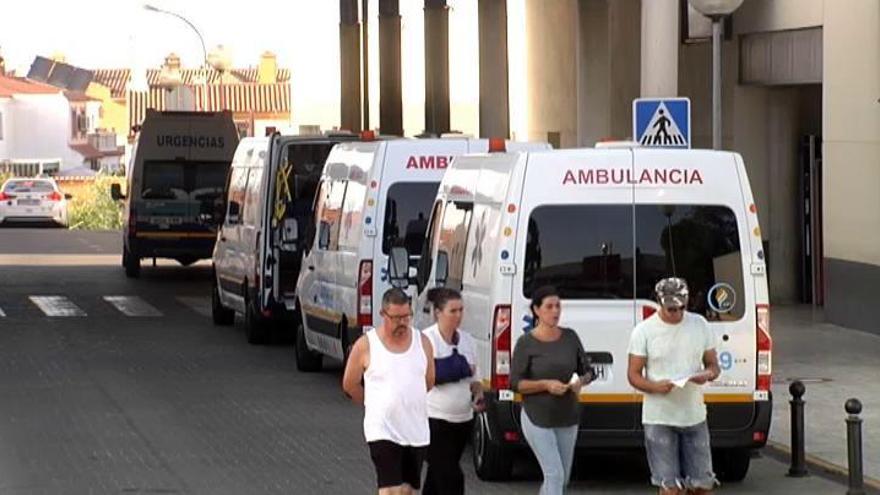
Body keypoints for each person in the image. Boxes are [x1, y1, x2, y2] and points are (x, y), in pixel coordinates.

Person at [627, 277, 721, 495]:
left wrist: (707, 374)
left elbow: (713, 365)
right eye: (670, 309)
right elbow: (633, 374)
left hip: (694, 415)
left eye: (679, 308)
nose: (675, 313)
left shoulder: (700, 325)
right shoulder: (643, 331)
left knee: (701, 486)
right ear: (659, 303)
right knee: (670, 488)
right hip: (659, 418)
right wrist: (653, 387)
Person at [343, 288, 436, 495]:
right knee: (391, 490)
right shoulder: (366, 345)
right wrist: (374, 404)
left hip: (415, 431)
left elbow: (428, 382)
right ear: (383, 315)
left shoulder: (423, 343)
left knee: (407, 490)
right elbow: (349, 384)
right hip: (382, 430)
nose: (402, 322)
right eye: (396, 318)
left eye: (406, 317)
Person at [510, 285, 593, 494]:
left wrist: (580, 381)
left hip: (567, 416)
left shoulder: (570, 337)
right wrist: (545, 384)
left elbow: (588, 371)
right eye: (549, 306)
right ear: (537, 310)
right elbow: (515, 383)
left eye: (558, 306)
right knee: (554, 474)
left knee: (561, 478)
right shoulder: (526, 343)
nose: (555, 311)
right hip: (537, 417)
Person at [421, 288, 484, 495]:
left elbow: (475, 380)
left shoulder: (467, 341)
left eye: (461, 310)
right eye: (453, 311)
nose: (458, 316)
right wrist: (456, 369)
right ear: (438, 312)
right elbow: (426, 376)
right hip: (434, 419)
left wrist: (478, 395)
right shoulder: (426, 340)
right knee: (451, 477)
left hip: (462, 420)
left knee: (437, 476)